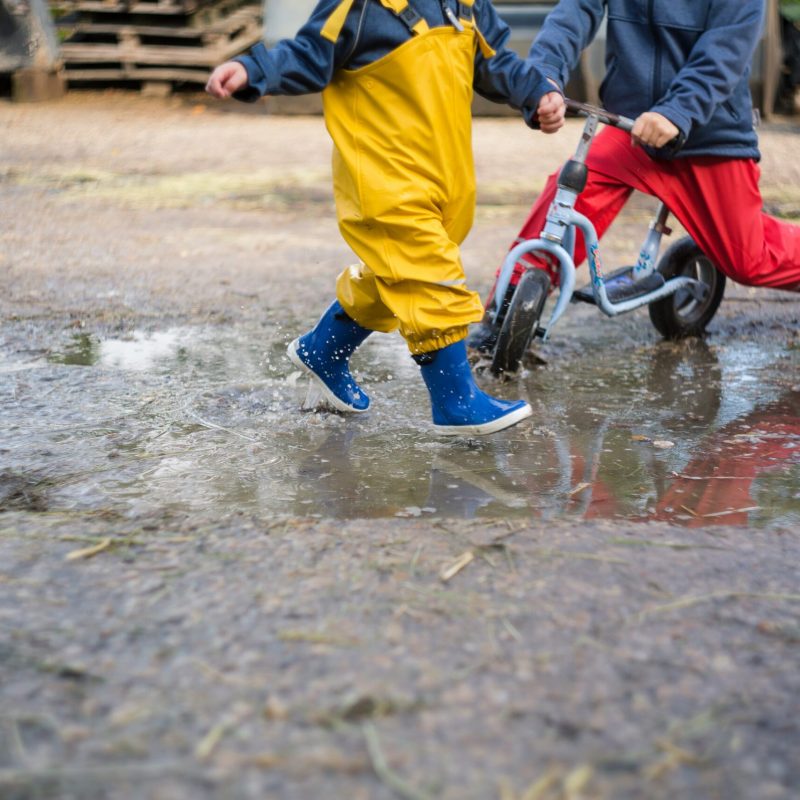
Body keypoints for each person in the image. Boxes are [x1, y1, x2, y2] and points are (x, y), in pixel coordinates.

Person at [206, 0, 565, 435]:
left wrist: (537, 93)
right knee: (430, 276)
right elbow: (307, 54)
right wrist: (253, 70)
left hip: (444, 176)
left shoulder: (464, 5)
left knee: (395, 274)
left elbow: (495, 61)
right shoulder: (359, 7)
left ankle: (324, 349)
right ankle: (455, 402)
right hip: (383, 178)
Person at [468, 0, 800, 356]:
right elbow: (572, 15)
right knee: (566, 198)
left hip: (709, 135)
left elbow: (726, 50)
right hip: (631, 127)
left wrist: (677, 111)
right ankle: (503, 314)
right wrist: (544, 79)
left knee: (750, 261)